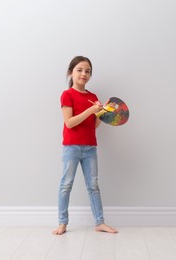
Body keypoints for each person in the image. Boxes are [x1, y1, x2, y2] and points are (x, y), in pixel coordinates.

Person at [52, 56, 118, 235]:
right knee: (66, 184)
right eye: (79, 70)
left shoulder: (93, 97)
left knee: (93, 186)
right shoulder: (67, 95)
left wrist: (103, 115)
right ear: (71, 72)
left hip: (90, 147)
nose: (83, 74)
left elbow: (93, 126)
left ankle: (100, 222)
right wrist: (90, 110)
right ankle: (62, 223)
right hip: (71, 148)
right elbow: (69, 123)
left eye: (87, 71)